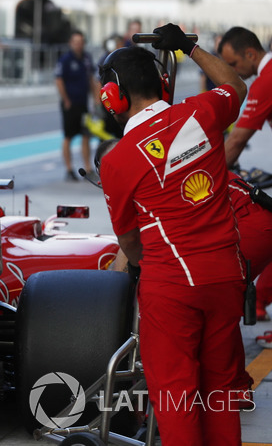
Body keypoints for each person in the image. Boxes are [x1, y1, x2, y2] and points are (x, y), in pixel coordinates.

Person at [98, 24, 248, 445]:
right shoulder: (201, 113)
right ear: (163, 83)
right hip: (225, 277)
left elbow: (129, 242)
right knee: (219, 392)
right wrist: (189, 47)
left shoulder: (117, 162)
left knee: (177, 397)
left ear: (113, 97)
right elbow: (235, 84)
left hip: (172, 287)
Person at [217, 27, 272, 169]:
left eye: (233, 64)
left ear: (250, 54)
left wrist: (209, 174)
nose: (233, 71)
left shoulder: (265, 81)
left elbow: (237, 140)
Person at [55, 30, 98, 180]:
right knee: (68, 136)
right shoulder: (65, 60)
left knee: (86, 135)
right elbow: (59, 80)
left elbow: (92, 80)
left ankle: (87, 168)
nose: (78, 45)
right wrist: (66, 99)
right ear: (70, 43)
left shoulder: (86, 58)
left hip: (83, 103)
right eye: (75, 42)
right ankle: (69, 169)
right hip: (70, 104)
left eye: (80, 42)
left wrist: (96, 100)